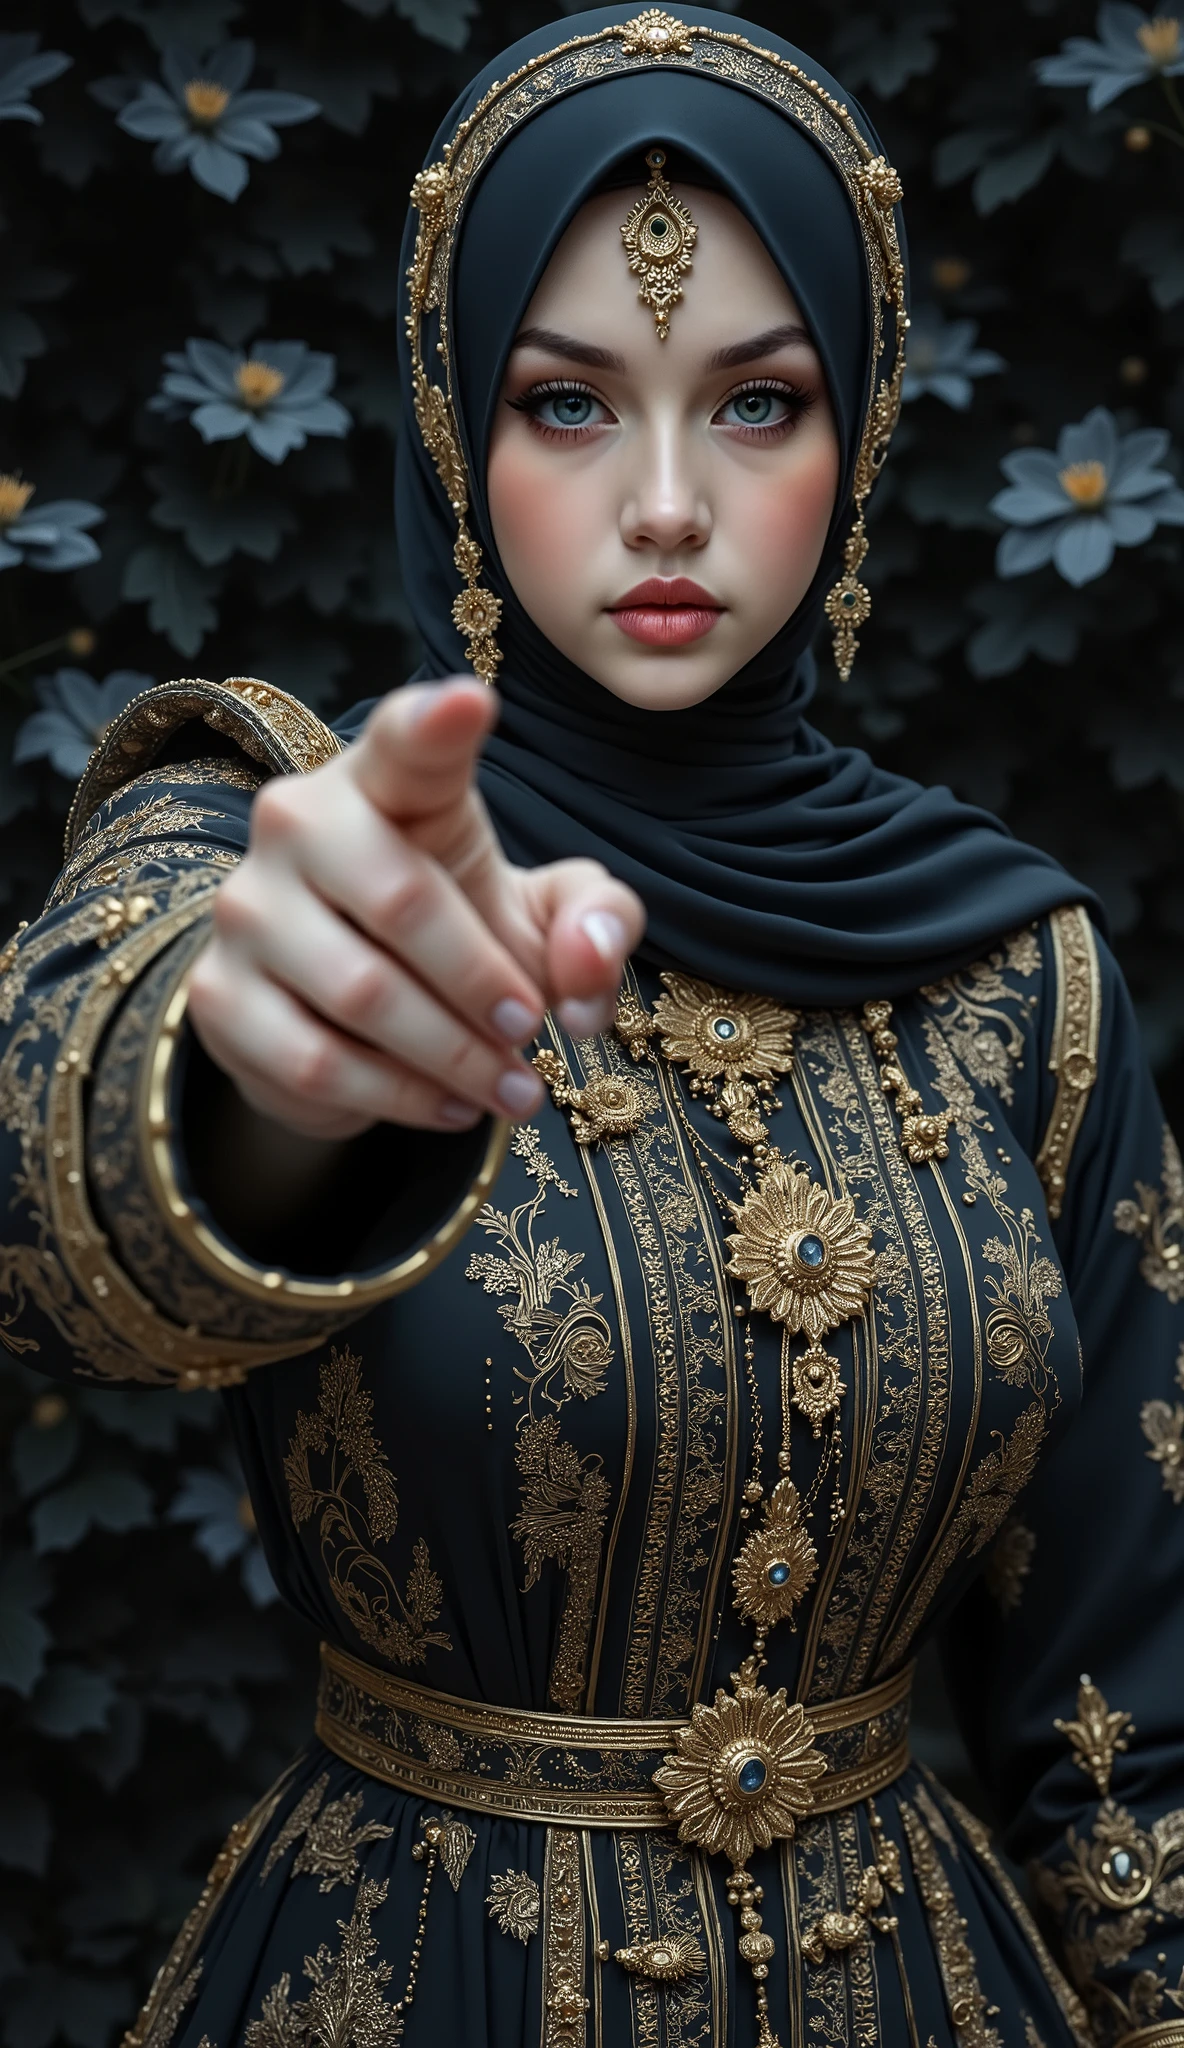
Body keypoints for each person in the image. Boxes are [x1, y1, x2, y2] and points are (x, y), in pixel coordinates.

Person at [4, 8, 1183, 2045]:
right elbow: (60, 1191)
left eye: (753, 406)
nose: (661, 504)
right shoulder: (298, 830)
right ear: (458, 434)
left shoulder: (1019, 977)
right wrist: (254, 1086)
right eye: (565, 406)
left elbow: (1136, 1700)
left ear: (861, 433)